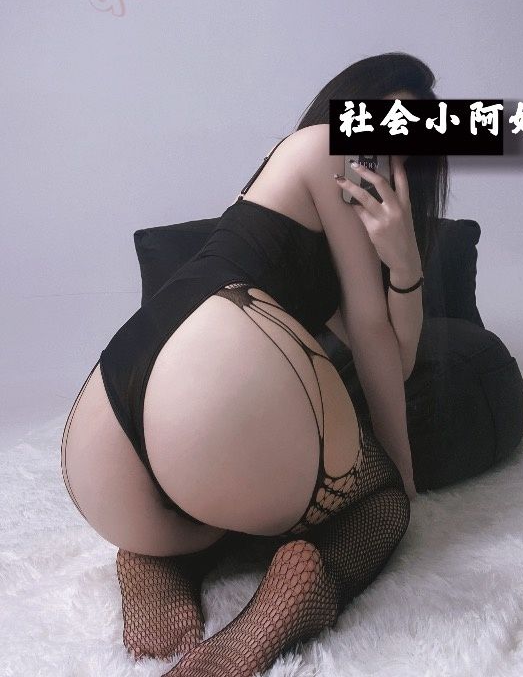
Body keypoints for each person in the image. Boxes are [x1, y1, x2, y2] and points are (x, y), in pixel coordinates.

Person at [61, 51, 448, 677]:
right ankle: (268, 618)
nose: (382, 155)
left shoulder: (289, 193)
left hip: (109, 422)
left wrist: (404, 265)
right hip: (218, 365)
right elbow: (374, 335)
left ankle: (154, 554)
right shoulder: (324, 147)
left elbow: (390, 355)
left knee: (221, 508)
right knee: (378, 500)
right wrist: (399, 479)